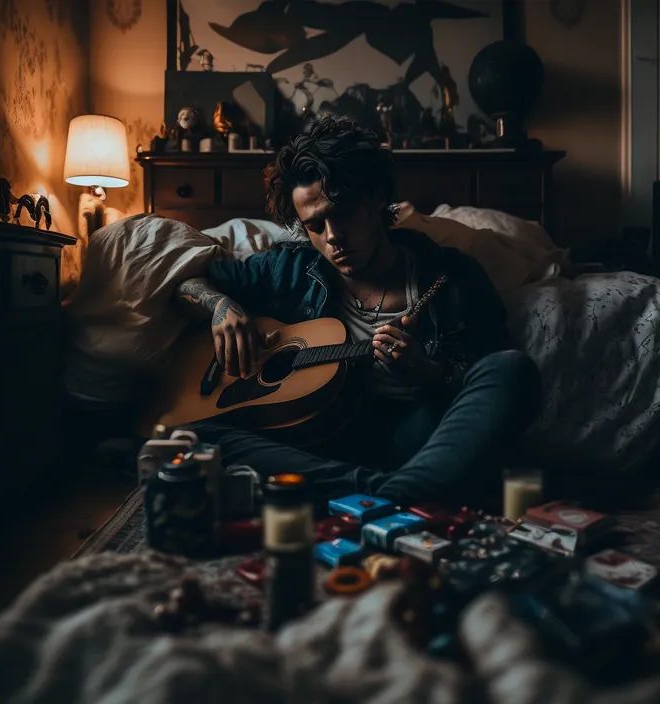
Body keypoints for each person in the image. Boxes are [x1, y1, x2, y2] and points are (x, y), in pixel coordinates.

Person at [172, 115, 542, 506]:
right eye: (315, 225)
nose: (333, 237)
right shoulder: (289, 268)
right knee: (191, 437)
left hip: (421, 440)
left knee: (513, 369)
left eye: (344, 212)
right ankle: (389, 495)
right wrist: (220, 306)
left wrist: (433, 374)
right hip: (317, 443)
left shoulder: (451, 274)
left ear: (377, 198)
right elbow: (185, 284)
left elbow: (490, 377)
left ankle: (370, 495)